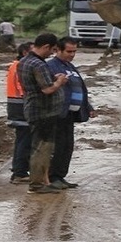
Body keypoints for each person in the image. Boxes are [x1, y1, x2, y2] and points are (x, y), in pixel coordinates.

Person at [17, 32, 68, 195]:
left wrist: (53, 77)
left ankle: (42, 181)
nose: (52, 54)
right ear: (45, 46)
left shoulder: (24, 61)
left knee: (40, 146)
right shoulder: (38, 64)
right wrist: (59, 82)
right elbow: (47, 89)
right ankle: (37, 184)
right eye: (52, 50)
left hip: (33, 109)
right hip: (43, 112)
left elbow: (38, 82)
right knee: (42, 148)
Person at [46, 37, 95, 189]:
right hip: (57, 113)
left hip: (70, 115)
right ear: (57, 50)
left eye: (74, 51)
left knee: (67, 146)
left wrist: (88, 106)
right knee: (58, 146)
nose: (72, 54)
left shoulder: (70, 66)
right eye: (69, 51)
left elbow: (79, 88)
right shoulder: (51, 66)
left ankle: (60, 176)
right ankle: (52, 177)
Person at [5, 42, 33, 184]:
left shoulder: (15, 65)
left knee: (22, 139)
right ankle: (20, 172)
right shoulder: (21, 66)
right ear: (24, 53)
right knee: (25, 140)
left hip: (16, 105)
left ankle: (19, 170)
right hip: (21, 106)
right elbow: (23, 88)